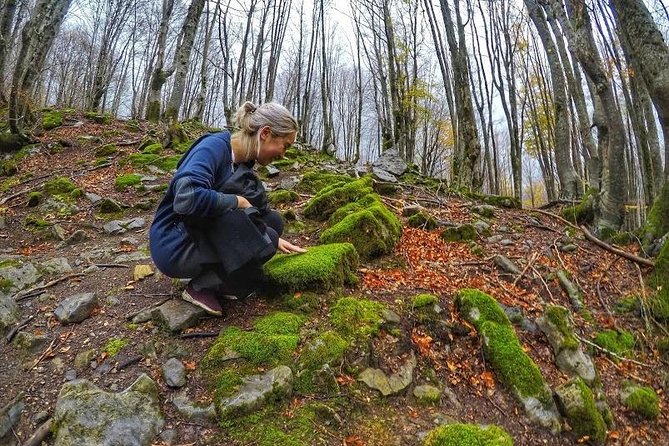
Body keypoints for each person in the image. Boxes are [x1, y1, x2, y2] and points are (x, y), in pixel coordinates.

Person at [149, 101, 306, 316]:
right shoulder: (213, 148)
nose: (284, 154)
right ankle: (202, 285)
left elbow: (255, 214)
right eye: (285, 145)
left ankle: (224, 279)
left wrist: (265, 234)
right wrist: (238, 202)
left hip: (201, 229)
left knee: (273, 224)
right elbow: (187, 198)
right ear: (266, 133)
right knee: (265, 238)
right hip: (174, 242)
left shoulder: (243, 162)